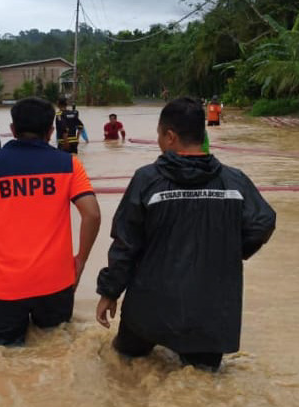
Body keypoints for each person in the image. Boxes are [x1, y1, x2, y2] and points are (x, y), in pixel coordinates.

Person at [95, 97, 276, 371]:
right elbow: (263, 221)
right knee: (202, 383)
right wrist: (230, 251)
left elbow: (126, 243)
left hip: (149, 307)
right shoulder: (234, 180)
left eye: (158, 135)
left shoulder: (147, 180)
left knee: (124, 366)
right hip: (211, 311)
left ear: (169, 136)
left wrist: (110, 292)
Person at [0, 97, 101, 346]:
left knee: (6, 356)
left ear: (13, 130)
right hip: (56, 282)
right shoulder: (68, 164)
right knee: (56, 349)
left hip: (5, 286)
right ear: (50, 131)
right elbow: (92, 214)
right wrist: (80, 261)